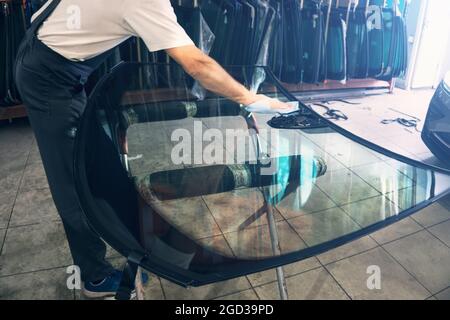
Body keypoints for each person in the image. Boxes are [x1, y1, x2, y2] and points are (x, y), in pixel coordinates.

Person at [14, 0, 293, 298]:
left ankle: (137, 243)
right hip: (49, 80)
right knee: (72, 181)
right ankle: (92, 277)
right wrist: (250, 98)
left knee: (98, 163)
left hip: (52, 60)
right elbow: (197, 64)